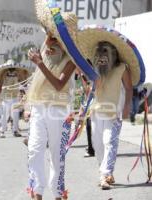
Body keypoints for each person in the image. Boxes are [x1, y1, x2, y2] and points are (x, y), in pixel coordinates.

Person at [78, 27, 142, 190]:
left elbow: (129, 88)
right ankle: (105, 171)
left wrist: (127, 106)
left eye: (105, 52)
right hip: (96, 111)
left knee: (109, 142)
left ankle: (105, 174)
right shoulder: (95, 69)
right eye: (99, 52)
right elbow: (93, 89)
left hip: (115, 112)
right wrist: (84, 107)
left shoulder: (122, 68)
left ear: (113, 53)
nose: (102, 56)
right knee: (97, 144)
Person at [27, 10, 79, 200]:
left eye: (57, 33)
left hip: (59, 109)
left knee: (57, 155)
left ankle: (58, 193)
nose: (51, 36)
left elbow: (59, 85)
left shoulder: (72, 58)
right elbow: (38, 78)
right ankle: (37, 191)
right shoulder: (45, 45)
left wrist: (39, 63)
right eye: (51, 31)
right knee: (34, 149)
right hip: (38, 107)